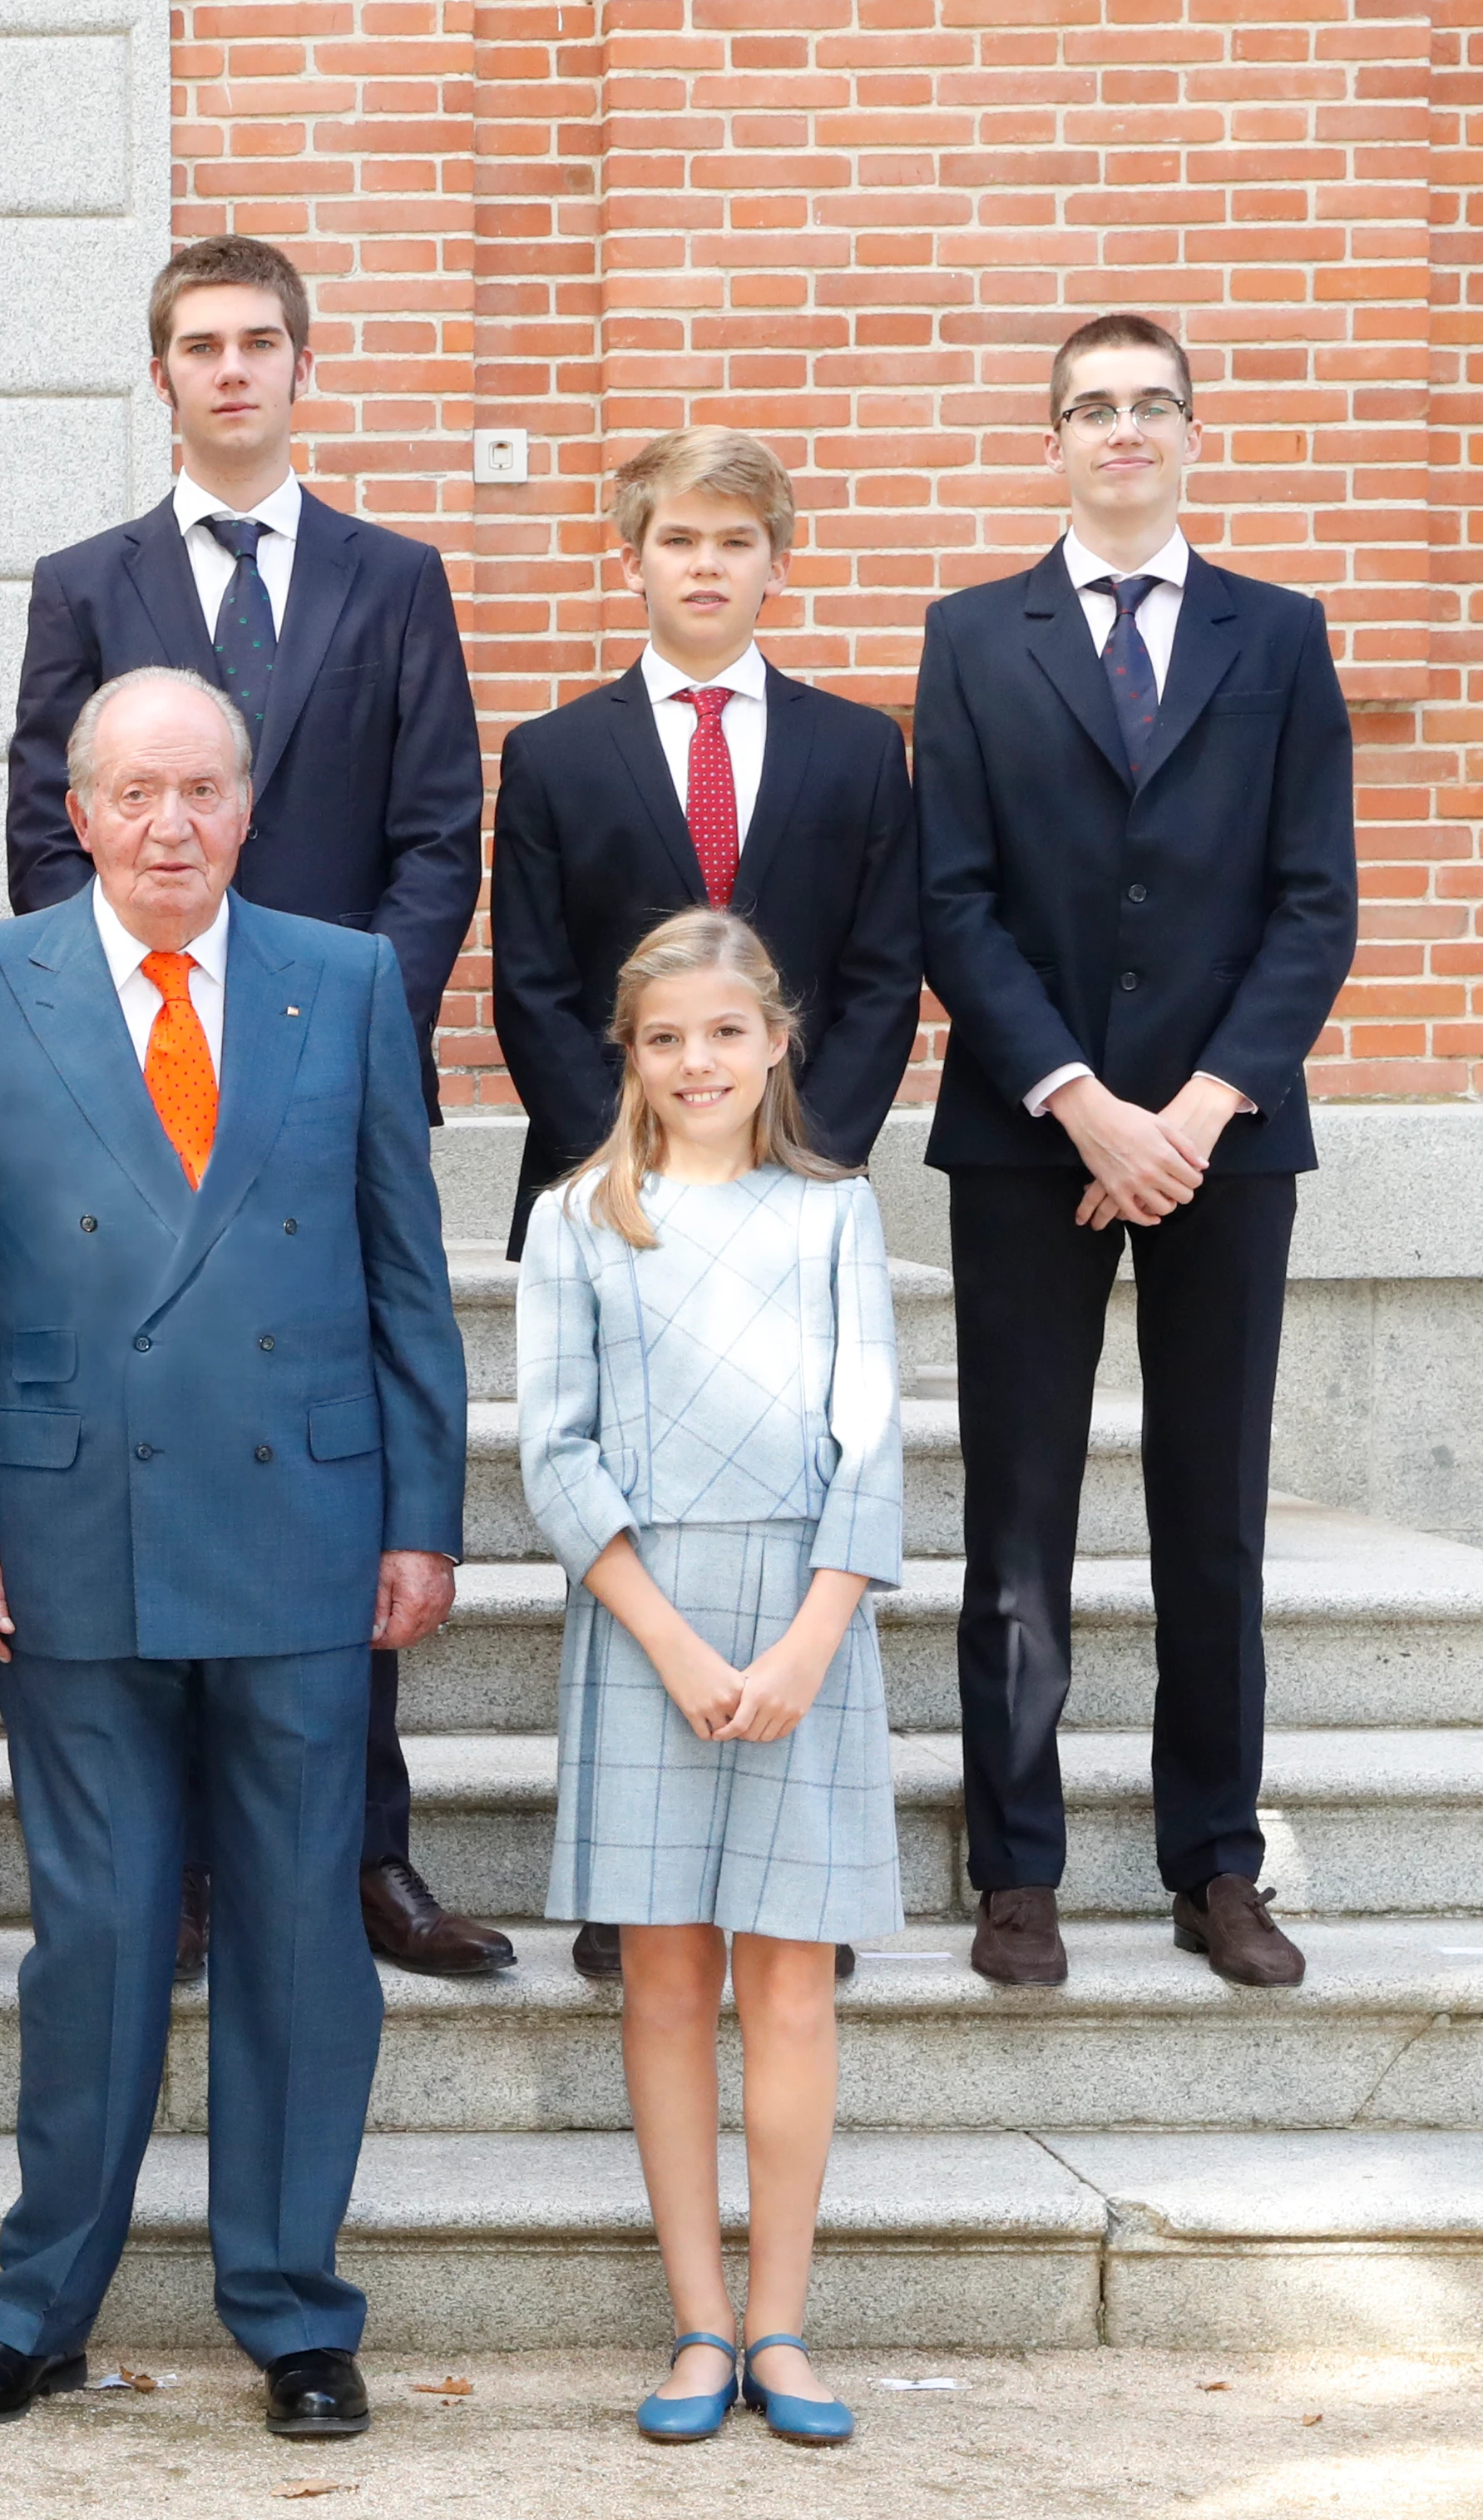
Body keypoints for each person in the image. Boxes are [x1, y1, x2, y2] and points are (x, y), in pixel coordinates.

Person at [0, 666, 467, 2443]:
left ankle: (293, 2309)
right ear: (75, 811)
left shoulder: (347, 981)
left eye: (201, 790)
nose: (169, 825)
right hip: (67, 1535)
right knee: (101, 1932)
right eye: (133, 792)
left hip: (304, 1515)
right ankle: (40, 2302)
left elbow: (401, 1276)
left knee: (299, 1927)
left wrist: (423, 1517)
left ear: (249, 806)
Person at [2, 234, 498, 1978]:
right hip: (138, 1097)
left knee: (333, 1445)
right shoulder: (85, 580)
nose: (230, 370)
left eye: (259, 343)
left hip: (328, 1096)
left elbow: (443, 830)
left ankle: (365, 1855)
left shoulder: (393, 578)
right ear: (160, 377)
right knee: (179, 1465)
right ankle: (191, 1876)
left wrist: (352, 1034)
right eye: (198, 346)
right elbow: (43, 835)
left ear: (302, 366)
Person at [915, 314, 1359, 1992]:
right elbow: (951, 896)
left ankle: (1215, 1862)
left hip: (1225, 1147)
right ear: (1052, 439)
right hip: (1032, 1140)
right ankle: (1014, 1870)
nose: (1121, 431)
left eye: (1149, 405)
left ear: (1191, 431)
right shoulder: (973, 637)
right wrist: (1078, 1097)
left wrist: (1194, 1109)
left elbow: (1317, 900)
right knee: (1016, 1517)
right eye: (1090, 408)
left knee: (1212, 1514)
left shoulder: (1279, 635)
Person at [489, 428, 920, 1984]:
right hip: (624, 1202)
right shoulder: (551, 754)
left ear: (772, 562)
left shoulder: (859, 751)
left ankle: (790, 1877)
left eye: (736, 540)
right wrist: (621, 1160)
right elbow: (535, 982)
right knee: (625, 1503)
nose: (705, 565)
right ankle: (638, 1874)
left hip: (785, 1187)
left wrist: (811, 1156)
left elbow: (878, 972)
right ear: (634, 558)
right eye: (677, 538)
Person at [517, 908, 902, 2449]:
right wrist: (670, 1636)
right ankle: (696, 2320)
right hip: (645, 1619)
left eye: (724, 1032)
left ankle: (782, 2322)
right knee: (666, 1977)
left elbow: (868, 1436)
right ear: (629, 1048)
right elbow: (554, 1448)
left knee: (788, 1981)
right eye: (665, 1035)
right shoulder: (577, 1218)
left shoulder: (832, 1216)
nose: (696, 1061)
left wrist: (809, 1637)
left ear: (775, 1043)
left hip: (804, 1614)